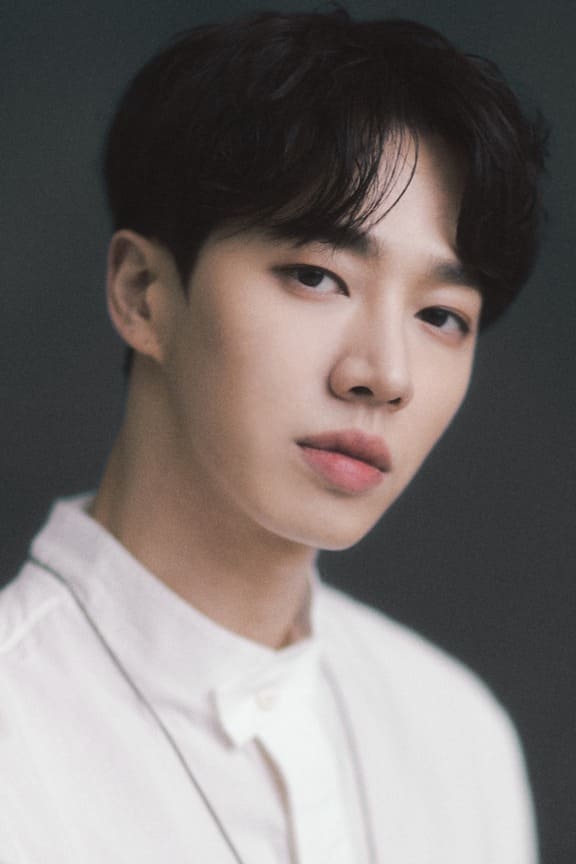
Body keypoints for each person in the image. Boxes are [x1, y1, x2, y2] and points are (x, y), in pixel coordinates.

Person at [0, 9, 546, 864]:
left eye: (441, 316)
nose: (384, 373)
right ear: (143, 293)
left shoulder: (457, 738)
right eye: (316, 276)